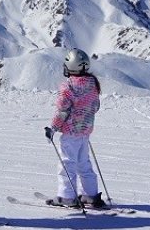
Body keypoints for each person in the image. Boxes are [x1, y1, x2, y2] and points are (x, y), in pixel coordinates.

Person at [44, 48, 106, 209]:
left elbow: (62, 111)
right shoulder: (93, 85)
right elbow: (95, 106)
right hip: (85, 132)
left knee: (67, 164)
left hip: (70, 133)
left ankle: (67, 197)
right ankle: (90, 195)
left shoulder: (68, 87)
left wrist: (53, 128)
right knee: (84, 163)